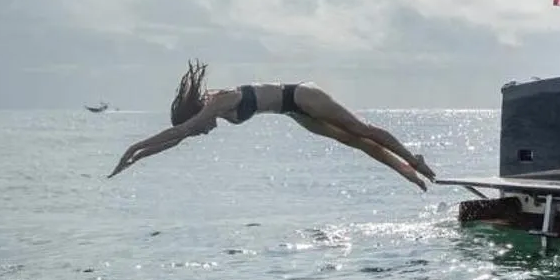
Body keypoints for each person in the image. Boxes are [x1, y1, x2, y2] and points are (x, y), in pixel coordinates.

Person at [107, 61, 437, 189]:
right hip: (293, 112)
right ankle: (408, 173)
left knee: (360, 130)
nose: (203, 132)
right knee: (353, 142)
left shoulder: (218, 102)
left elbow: (178, 132)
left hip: (301, 95)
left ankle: (415, 159)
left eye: (198, 126)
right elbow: (176, 140)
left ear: (195, 113)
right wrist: (135, 160)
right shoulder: (210, 114)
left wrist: (132, 147)